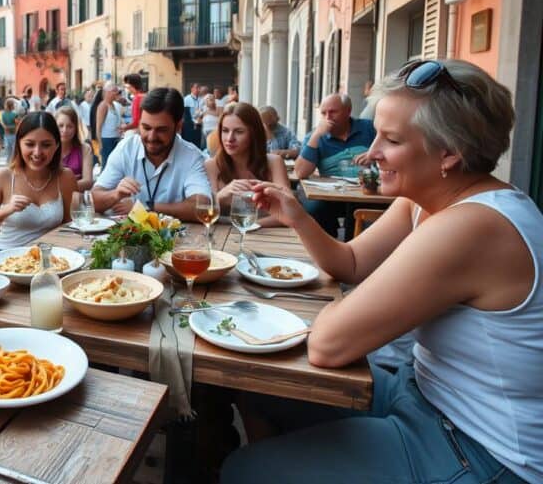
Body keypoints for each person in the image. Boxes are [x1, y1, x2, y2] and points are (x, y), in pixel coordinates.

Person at [224, 59, 543, 484]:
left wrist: (347, 311)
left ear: (449, 153)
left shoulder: (475, 225)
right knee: (260, 391)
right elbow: (350, 262)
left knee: (244, 471)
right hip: (421, 393)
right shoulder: (428, 199)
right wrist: (296, 215)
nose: (371, 153)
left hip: (482, 449)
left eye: (391, 139)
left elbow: (328, 345)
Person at [92, 88, 212, 221]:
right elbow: (93, 200)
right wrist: (116, 194)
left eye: (161, 130)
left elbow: (203, 207)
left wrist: (145, 207)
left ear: (178, 126)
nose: (151, 137)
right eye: (146, 128)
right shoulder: (126, 148)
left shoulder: (192, 156)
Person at [0, 112, 76, 251]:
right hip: (8, 258)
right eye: (30, 144)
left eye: (46, 145)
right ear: (19, 144)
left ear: (57, 145)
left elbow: (71, 224)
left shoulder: (65, 177)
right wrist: (6, 211)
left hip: (50, 257)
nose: (37, 152)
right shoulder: (3, 176)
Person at [295, 93, 377, 235]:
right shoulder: (314, 137)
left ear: (348, 111)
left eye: (333, 112)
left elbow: (394, 152)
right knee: (314, 208)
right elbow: (301, 172)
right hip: (332, 196)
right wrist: (316, 136)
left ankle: (353, 244)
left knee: (359, 209)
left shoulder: (369, 128)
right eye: (323, 113)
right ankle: (329, 244)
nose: (328, 117)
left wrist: (375, 155)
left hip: (366, 192)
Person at [204, 103, 289, 227]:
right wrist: (221, 196)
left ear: (254, 133)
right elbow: (204, 212)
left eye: (239, 132)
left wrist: (248, 226)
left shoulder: (274, 162)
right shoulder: (212, 165)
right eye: (225, 130)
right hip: (220, 235)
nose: (230, 138)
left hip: (266, 235)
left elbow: (289, 212)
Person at [55, 106, 95, 193]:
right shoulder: (48, 149)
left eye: (70, 126)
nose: (65, 130)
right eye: (60, 126)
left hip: (76, 198)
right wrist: (74, 183)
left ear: (75, 128)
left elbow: (88, 182)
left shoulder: (84, 149)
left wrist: (58, 187)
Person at [94, 82, 123, 168]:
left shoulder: (115, 105)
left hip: (115, 139)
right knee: (106, 165)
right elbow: (98, 127)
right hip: (107, 140)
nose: (116, 93)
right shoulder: (103, 106)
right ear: (107, 92)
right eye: (114, 91)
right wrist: (100, 144)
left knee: (114, 165)